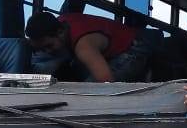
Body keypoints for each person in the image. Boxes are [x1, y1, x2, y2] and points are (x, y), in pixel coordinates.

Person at [24, 11, 157, 82]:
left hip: (134, 50)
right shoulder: (61, 21)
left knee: (90, 90)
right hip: (114, 47)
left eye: (49, 46)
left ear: (59, 32)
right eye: (42, 49)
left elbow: (107, 82)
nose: (48, 52)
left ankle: (144, 73)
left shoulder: (83, 46)